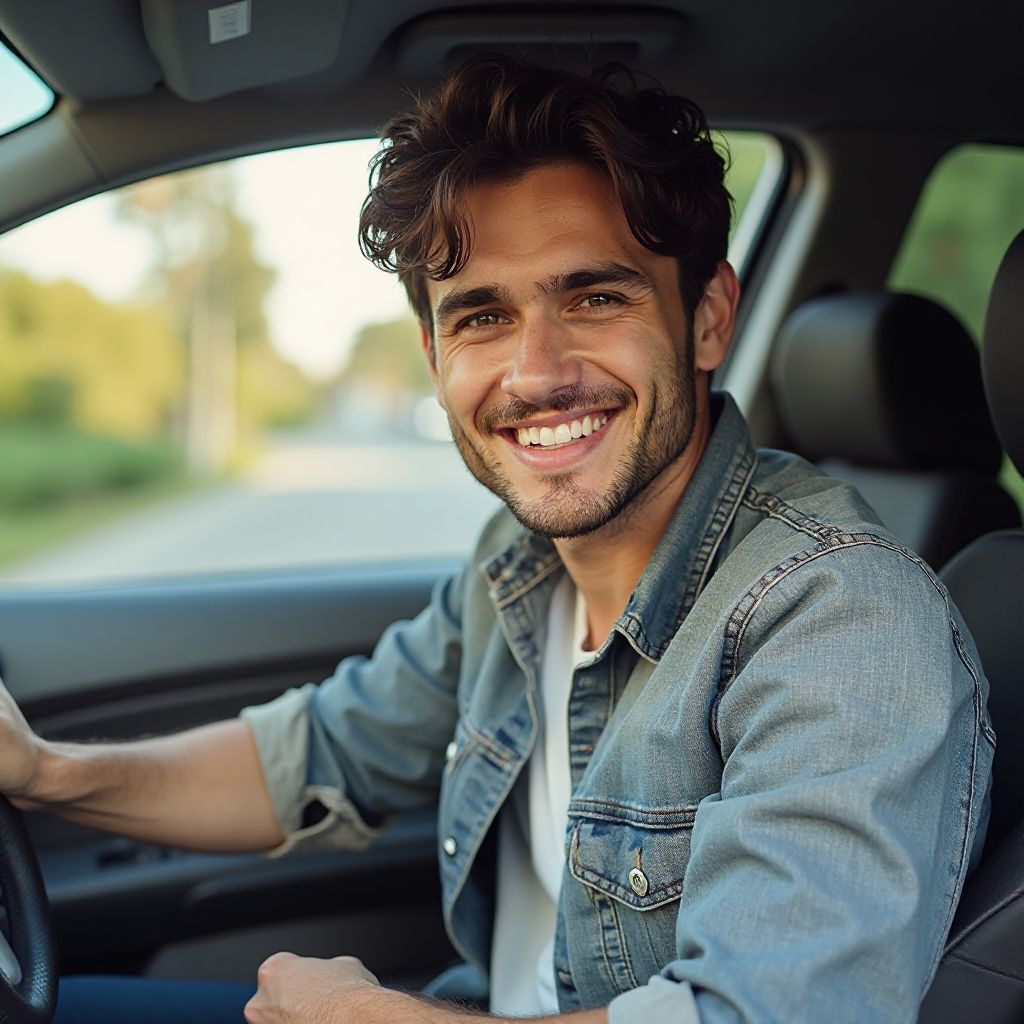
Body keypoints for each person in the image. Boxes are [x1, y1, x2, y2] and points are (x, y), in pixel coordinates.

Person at [0, 55, 993, 1024]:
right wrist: (45, 770)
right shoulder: (516, 565)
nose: (536, 372)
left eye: (594, 297)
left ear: (706, 317)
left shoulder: (841, 614)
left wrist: (362, 1015)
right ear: (435, 357)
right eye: (481, 317)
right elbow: (325, 753)